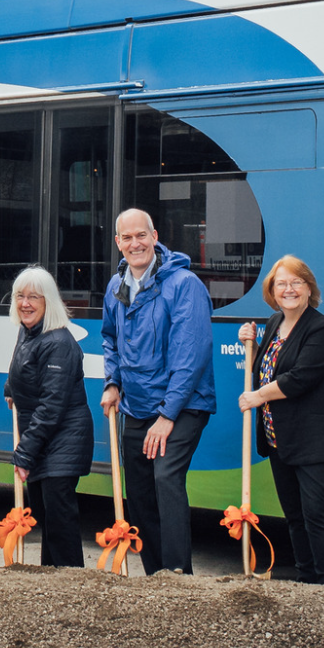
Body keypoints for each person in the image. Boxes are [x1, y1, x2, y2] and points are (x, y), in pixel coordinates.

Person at [100, 208, 215, 575]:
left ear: (154, 236)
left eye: (141, 236)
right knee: (140, 492)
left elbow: (191, 355)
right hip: (135, 406)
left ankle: (178, 576)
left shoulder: (184, 285)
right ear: (118, 243)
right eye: (127, 238)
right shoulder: (116, 287)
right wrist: (113, 381)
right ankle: (156, 578)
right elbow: (109, 338)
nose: (135, 244)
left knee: (165, 478)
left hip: (182, 406)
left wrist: (167, 416)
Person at [238, 255, 324, 585]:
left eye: (296, 282)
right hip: (280, 438)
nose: (289, 290)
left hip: (315, 440)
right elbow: (265, 369)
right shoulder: (274, 324)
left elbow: (300, 378)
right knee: (295, 516)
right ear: (272, 290)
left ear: (309, 288)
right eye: (281, 284)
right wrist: (251, 346)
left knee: (315, 512)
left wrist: (258, 397)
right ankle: (306, 579)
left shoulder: (322, 328)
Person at [4, 267, 92, 567]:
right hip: (45, 440)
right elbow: (21, 362)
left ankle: (71, 582)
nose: (25, 303)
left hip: (63, 441)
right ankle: (50, 578)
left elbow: (51, 406)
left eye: (33, 297)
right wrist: (10, 386)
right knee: (46, 515)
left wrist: (24, 453)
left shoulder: (59, 343)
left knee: (59, 518)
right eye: (20, 296)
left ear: (48, 302)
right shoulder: (29, 332)